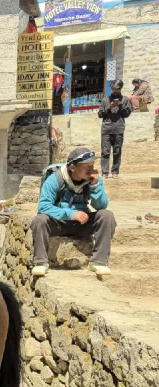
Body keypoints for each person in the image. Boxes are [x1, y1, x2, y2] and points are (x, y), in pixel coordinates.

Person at [31, 147, 116, 278]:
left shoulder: (93, 180)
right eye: (86, 166)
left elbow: (101, 205)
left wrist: (94, 186)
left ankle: (98, 262)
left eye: (92, 165)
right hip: (58, 222)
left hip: (82, 223)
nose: (90, 169)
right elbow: (43, 206)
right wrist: (71, 214)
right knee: (39, 220)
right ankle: (41, 262)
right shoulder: (55, 180)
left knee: (106, 215)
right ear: (72, 167)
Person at [98, 80, 132, 179]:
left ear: (120, 88)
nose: (115, 91)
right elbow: (100, 115)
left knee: (117, 151)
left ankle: (115, 171)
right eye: (113, 89)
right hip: (106, 129)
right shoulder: (105, 100)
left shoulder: (125, 100)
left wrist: (121, 106)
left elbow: (127, 114)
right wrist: (108, 108)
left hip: (118, 129)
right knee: (105, 152)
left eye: (117, 89)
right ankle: (104, 172)